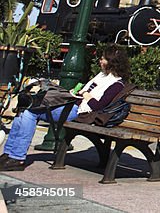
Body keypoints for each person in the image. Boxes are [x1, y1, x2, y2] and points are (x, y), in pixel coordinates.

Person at [0, 46, 130, 171]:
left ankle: (17, 157)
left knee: (29, 112)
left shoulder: (116, 84)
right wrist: (78, 93)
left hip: (80, 112)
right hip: (73, 105)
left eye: (104, 59)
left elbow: (96, 105)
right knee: (25, 109)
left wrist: (84, 94)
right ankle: (9, 153)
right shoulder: (101, 76)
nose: (100, 61)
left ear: (113, 62)